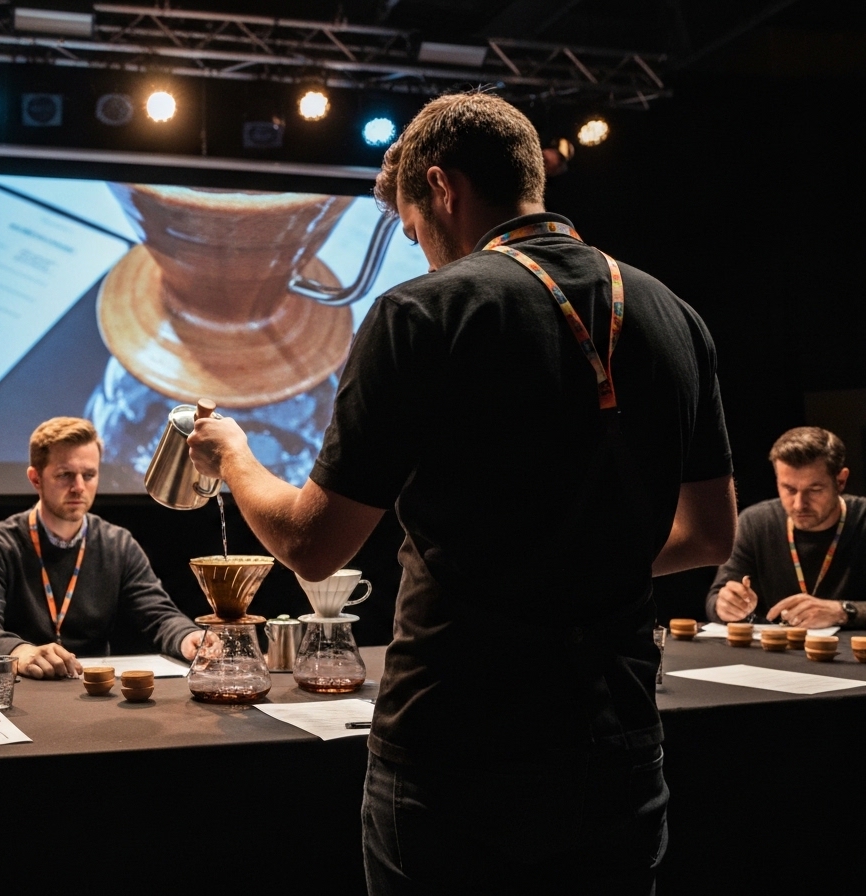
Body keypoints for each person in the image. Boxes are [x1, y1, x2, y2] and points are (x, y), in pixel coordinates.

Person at [187, 92, 737, 894]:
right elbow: (710, 535)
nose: (423, 255)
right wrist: (578, 559)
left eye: (415, 233)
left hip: (455, 753)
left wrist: (232, 454)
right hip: (616, 744)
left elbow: (313, 544)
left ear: (443, 188)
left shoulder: (424, 312)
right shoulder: (673, 314)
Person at [0, 417, 206, 679]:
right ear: (35, 479)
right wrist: (20, 651)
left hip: (92, 689)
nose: (79, 487)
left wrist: (187, 637)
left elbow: (159, 616)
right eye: (65, 475)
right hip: (24, 684)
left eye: (89, 475)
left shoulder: (117, 544)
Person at [707, 426, 863, 629]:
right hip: (773, 654)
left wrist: (843, 611)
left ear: (841, 481)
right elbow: (715, 598)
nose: (799, 504)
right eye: (789, 489)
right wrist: (725, 605)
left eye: (814, 489)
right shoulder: (756, 523)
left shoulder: (862, 519)